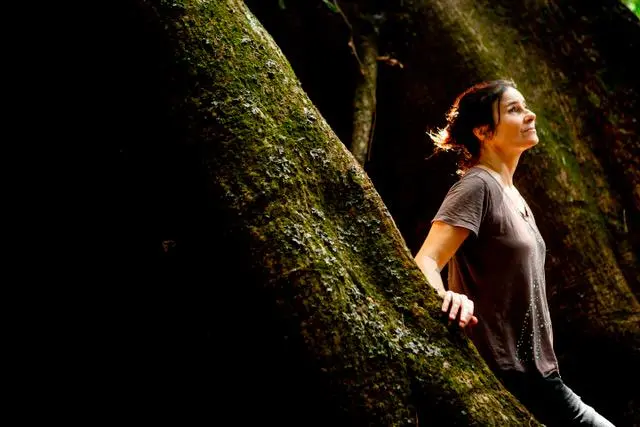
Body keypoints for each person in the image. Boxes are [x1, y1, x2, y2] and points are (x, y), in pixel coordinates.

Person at [414, 80, 615, 426]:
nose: (529, 114)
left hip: (541, 376)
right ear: (483, 131)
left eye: (524, 106)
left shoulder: (513, 195)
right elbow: (427, 260)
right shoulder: (477, 186)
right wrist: (447, 298)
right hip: (507, 375)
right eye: (514, 109)